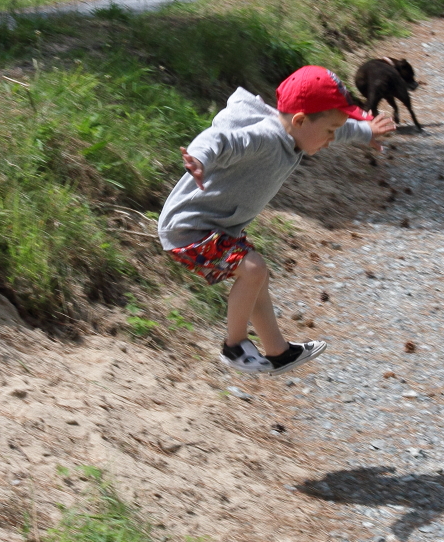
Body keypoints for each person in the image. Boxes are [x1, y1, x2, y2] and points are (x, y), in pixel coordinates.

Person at [157, 66, 395, 376]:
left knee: (257, 280)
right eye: (329, 132)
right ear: (299, 120)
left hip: (217, 227)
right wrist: (200, 158)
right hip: (188, 227)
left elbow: (341, 129)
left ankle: (278, 351)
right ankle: (235, 347)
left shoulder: (297, 133)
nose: (332, 139)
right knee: (253, 269)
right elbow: (222, 140)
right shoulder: (266, 137)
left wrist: (367, 132)